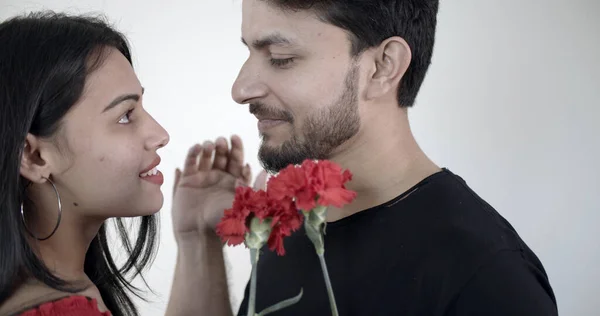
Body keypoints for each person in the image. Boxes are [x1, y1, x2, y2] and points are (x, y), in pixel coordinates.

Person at [195, 0, 559, 315]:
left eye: (281, 58)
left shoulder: (486, 275)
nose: (240, 89)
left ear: (384, 67)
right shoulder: (288, 227)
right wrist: (198, 240)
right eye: (249, 52)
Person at [0, 12, 259, 316]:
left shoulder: (64, 288)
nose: (160, 135)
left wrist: (196, 238)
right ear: (35, 157)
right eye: (125, 115)